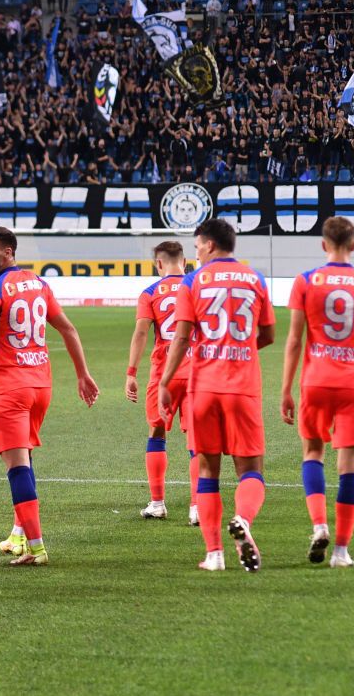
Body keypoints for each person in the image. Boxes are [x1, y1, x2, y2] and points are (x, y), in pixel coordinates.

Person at [0, 226, 99, 566]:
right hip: (41, 385)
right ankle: (19, 534)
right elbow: (68, 328)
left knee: (17, 466)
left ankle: (35, 548)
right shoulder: (38, 284)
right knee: (25, 458)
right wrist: (83, 374)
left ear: (8, 252)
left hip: (10, 387)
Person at [158, 219, 275, 573]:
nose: (195, 253)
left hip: (203, 387)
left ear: (209, 245)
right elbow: (268, 334)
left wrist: (165, 381)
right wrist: (238, 349)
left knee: (208, 470)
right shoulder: (255, 279)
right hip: (242, 387)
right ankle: (243, 520)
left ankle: (215, 555)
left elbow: (180, 337)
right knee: (251, 470)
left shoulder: (193, 281)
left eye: (196, 247)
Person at [280, 217, 354, 568]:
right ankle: (341, 552)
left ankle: (319, 525)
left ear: (323, 244)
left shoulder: (306, 281)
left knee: (313, 452)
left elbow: (295, 340)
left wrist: (286, 389)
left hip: (316, 381)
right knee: (350, 465)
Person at [125, 241, 199, 524]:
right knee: (196, 441)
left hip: (162, 374)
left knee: (156, 432)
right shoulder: (196, 287)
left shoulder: (150, 293)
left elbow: (141, 333)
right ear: (185, 260)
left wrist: (131, 372)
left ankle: (157, 503)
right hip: (195, 372)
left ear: (158, 264)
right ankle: (196, 507)